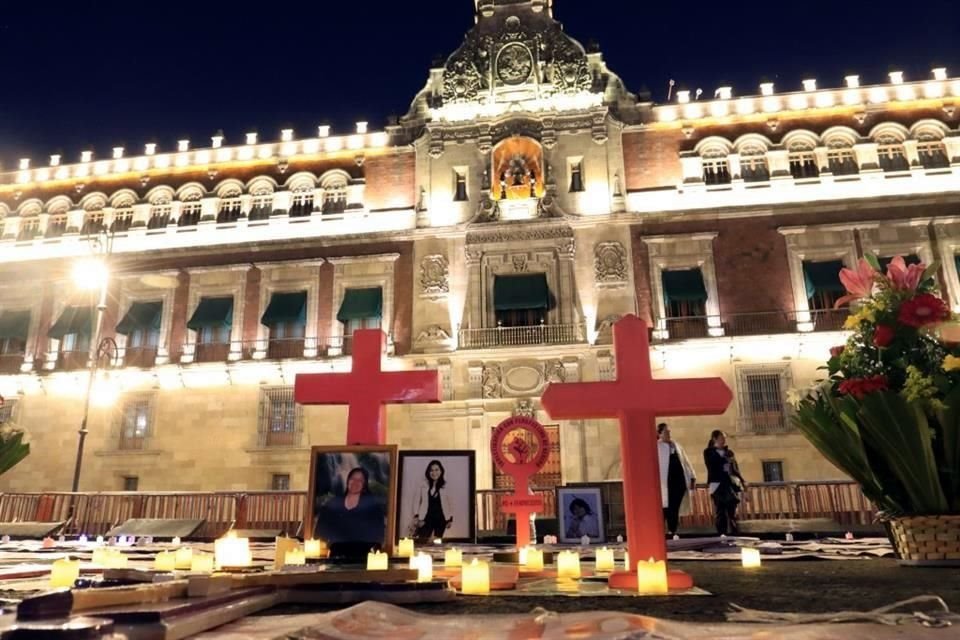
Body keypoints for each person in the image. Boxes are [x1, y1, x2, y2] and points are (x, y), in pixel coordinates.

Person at [315, 467, 386, 557]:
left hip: (362, 558)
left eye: (360, 480)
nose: (355, 482)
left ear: (364, 484)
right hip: (335, 557)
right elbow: (320, 530)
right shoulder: (333, 504)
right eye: (353, 478)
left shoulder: (373, 507)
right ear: (348, 480)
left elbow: (378, 535)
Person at [703, 430, 747, 536]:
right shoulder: (709, 452)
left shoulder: (729, 452)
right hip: (717, 483)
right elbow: (712, 464)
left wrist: (742, 480)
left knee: (732, 508)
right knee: (720, 510)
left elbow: (735, 468)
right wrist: (724, 458)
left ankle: (734, 532)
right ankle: (721, 533)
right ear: (715, 439)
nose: (723, 440)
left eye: (724, 438)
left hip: (728, 483)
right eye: (721, 438)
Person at [657, 423, 697, 537]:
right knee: (665, 508)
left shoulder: (676, 445)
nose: (668, 434)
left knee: (674, 507)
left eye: (669, 431)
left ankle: (672, 530)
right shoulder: (657, 447)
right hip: (666, 482)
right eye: (666, 432)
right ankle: (663, 531)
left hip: (679, 481)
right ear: (660, 433)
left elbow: (685, 461)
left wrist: (692, 476)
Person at [409, 459, 454, 542]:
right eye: (431, 470)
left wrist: (450, 519)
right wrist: (416, 516)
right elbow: (416, 500)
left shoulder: (445, 486)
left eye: (437, 470)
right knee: (422, 542)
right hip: (426, 519)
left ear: (441, 471)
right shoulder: (423, 484)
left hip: (441, 519)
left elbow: (449, 503)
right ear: (428, 472)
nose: (434, 473)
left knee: (437, 543)